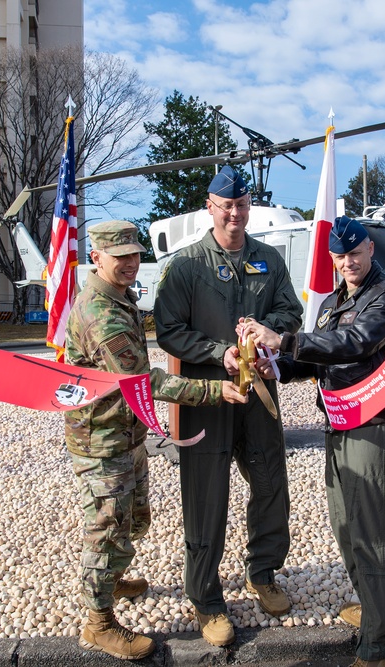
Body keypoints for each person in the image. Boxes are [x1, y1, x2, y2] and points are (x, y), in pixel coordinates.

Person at [63, 220, 248, 660]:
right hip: (102, 442)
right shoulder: (102, 314)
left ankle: (110, 578)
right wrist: (210, 390)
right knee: (107, 529)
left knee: (135, 519)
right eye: (119, 256)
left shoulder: (118, 296)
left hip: (124, 433)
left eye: (134, 254)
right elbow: (142, 380)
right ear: (97, 258)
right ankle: (98, 622)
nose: (130, 263)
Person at [241, 216, 385, 667]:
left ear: (370, 250)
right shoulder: (337, 299)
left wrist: (286, 338)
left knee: (371, 534)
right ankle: (383, 614)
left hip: (373, 426)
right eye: (339, 257)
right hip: (340, 426)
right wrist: (276, 365)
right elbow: (320, 358)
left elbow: (353, 343)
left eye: (354, 253)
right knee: (347, 528)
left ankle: (378, 647)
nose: (347, 263)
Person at [153, 166, 303, 647]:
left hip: (258, 392)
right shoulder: (187, 265)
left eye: (242, 205)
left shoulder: (269, 259)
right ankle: (207, 599)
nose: (235, 213)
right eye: (226, 205)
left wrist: (266, 333)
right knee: (206, 495)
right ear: (211, 207)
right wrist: (218, 352)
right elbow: (169, 330)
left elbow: (291, 311)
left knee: (269, 482)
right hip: (208, 397)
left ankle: (263, 573)